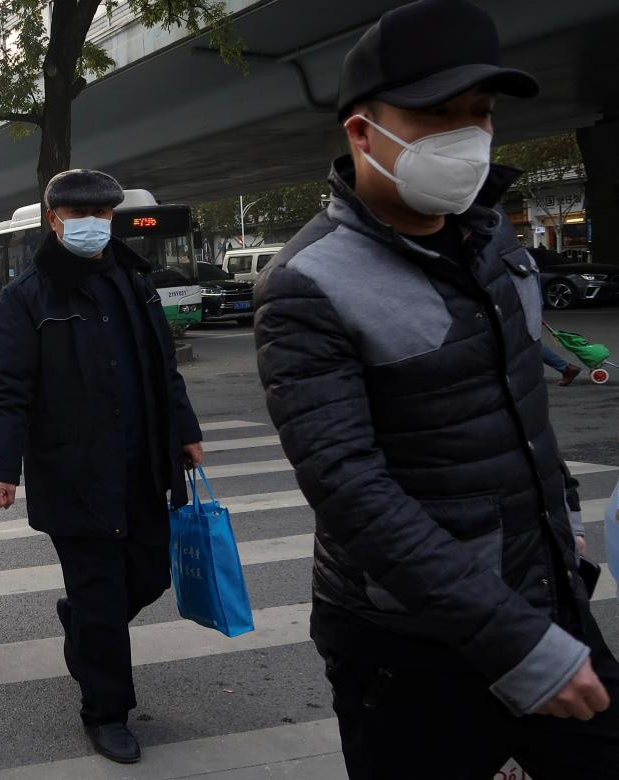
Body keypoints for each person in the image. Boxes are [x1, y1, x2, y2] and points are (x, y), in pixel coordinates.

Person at [253, 2, 619, 776]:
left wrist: (563, 516)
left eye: (480, 115)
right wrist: (513, 639)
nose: (467, 137)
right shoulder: (307, 284)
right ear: (363, 132)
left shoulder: (494, 241)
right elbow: (350, 491)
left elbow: (521, 410)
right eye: (436, 115)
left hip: (544, 599)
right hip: (408, 652)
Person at [0, 169, 204, 764]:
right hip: (74, 471)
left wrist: (186, 433)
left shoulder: (134, 278)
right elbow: (6, 388)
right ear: (53, 220)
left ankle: (80, 623)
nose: (92, 226)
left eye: (102, 216)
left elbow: (164, 367)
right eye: (78, 216)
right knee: (103, 595)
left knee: (151, 573)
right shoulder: (27, 295)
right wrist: (0, 465)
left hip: (143, 462)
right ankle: (106, 712)